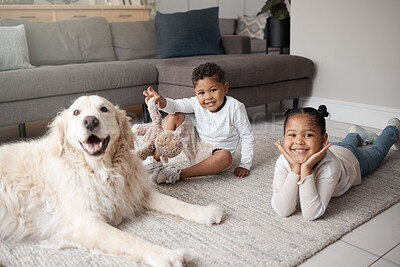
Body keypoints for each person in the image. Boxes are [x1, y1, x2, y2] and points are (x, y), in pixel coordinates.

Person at [272, 105, 400, 221]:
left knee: (377, 153)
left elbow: (311, 213)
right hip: (332, 148)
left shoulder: (329, 166)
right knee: (345, 144)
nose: (298, 141)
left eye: (308, 135)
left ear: (323, 139)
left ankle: (393, 128)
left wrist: (305, 168)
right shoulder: (283, 161)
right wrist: (295, 169)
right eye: (292, 135)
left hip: (350, 159)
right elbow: (283, 210)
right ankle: (355, 133)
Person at [141, 62, 254, 184]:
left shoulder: (235, 107)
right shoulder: (195, 102)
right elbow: (175, 105)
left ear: (225, 88)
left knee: (226, 157)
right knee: (174, 116)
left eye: (213, 90)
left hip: (216, 157)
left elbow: (247, 136)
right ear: (196, 93)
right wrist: (160, 101)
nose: (208, 97)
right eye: (202, 93)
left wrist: (245, 164)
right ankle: (156, 158)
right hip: (196, 146)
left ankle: (178, 173)